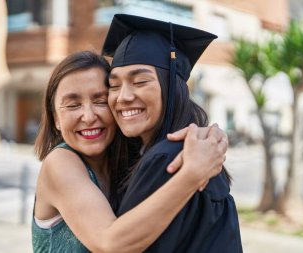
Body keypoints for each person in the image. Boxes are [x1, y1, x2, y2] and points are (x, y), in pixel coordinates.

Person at [32, 51, 228, 253]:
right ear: (55, 118)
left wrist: (208, 136)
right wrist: (193, 175)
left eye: (100, 101)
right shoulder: (60, 163)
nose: (89, 117)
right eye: (73, 105)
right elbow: (110, 244)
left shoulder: (132, 159)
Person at [102, 14, 243, 252]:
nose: (123, 97)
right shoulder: (191, 151)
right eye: (114, 85)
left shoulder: (169, 160)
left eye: (140, 82)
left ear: (172, 87)